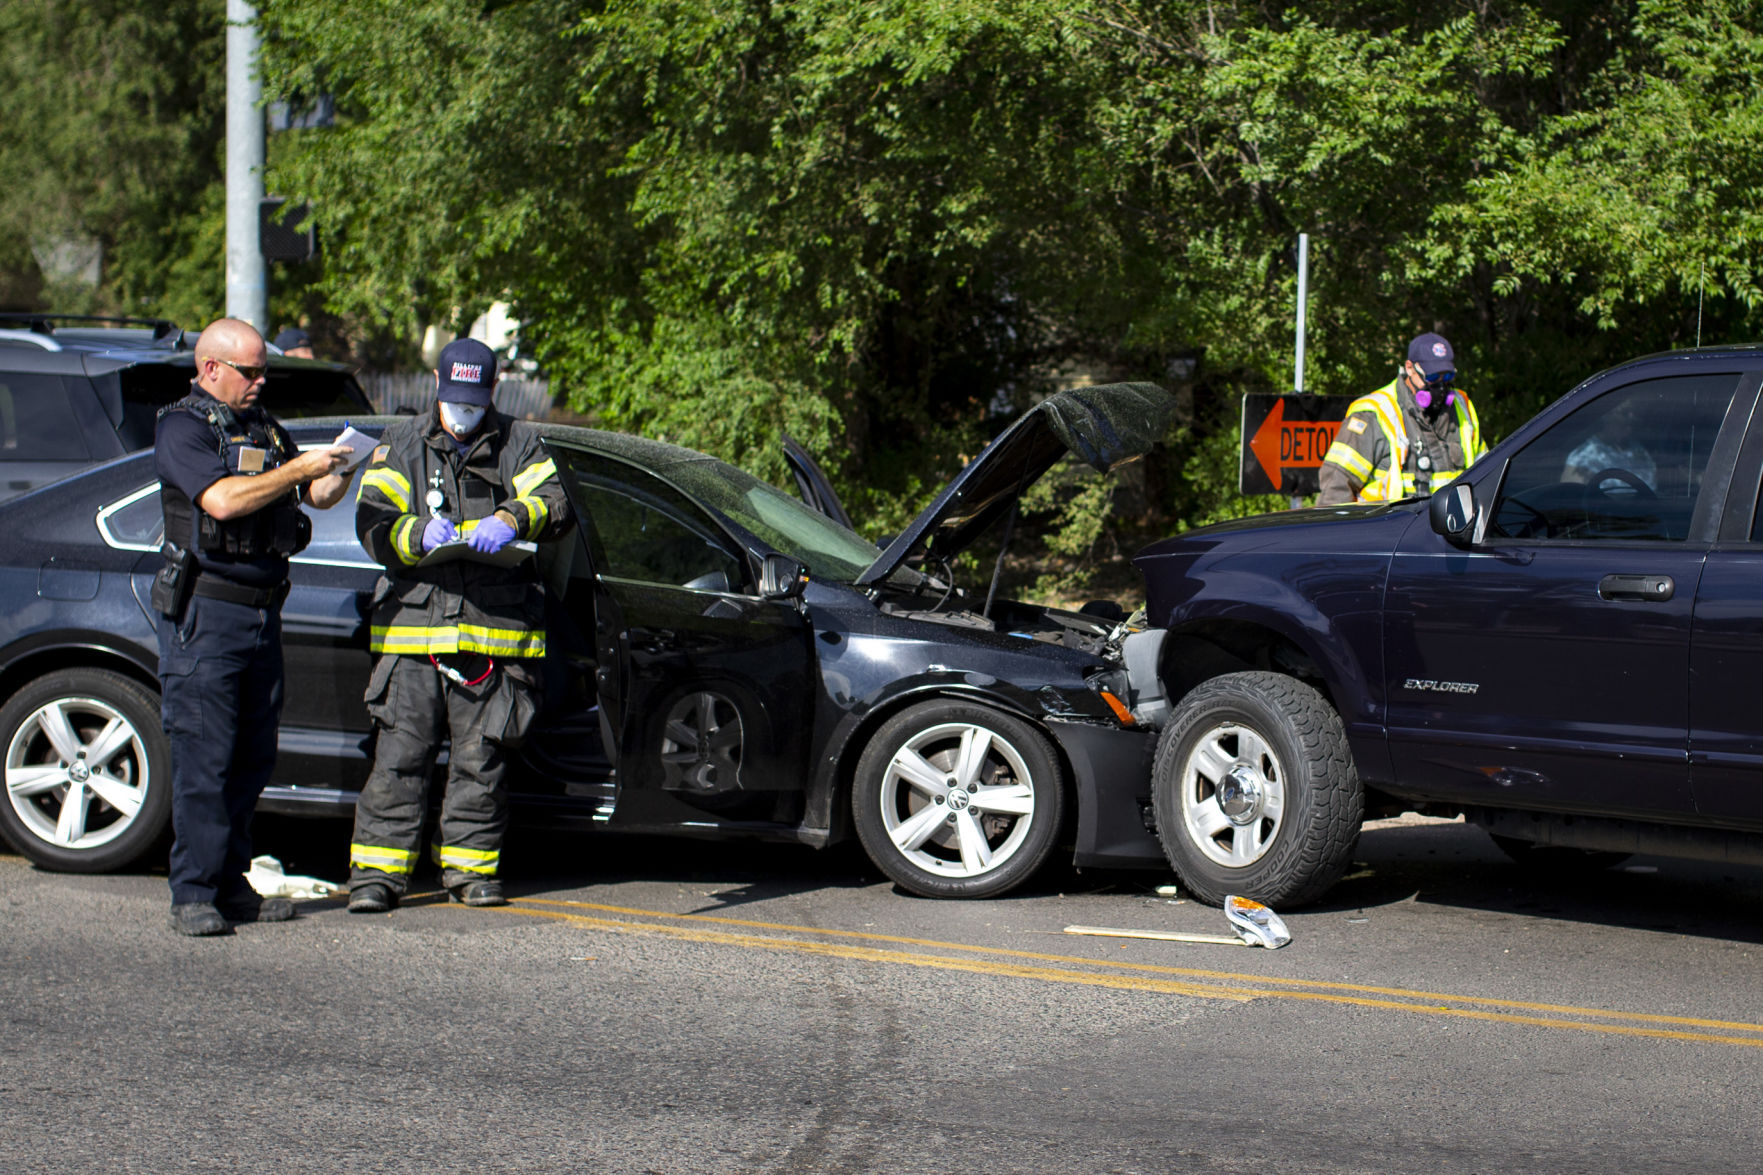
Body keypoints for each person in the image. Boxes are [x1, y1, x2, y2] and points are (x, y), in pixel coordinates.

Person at [346, 338, 572, 913]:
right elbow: (373, 523)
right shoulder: (400, 442)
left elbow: (555, 500)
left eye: (474, 402)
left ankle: (470, 874)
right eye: (455, 400)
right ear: (438, 390)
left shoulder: (520, 441)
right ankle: (376, 877)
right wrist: (415, 534)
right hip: (413, 636)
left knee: (481, 763)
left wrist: (511, 516)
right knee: (399, 760)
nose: (463, 412)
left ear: (490, 392)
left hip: (493, 635)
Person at [154, 318, 352, 935]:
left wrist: (341, 466)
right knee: (204, 759)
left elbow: (314, 496)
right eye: (251, 371)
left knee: (251, 758)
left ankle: (231, 883)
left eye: (263, 370)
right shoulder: (183, 426)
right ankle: (193, 892)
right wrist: (300, 472)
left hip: (263, 610)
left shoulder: (263, 426)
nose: (261, 380)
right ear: (212, 369)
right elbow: (223, 501)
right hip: (207, 614)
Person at [1318, 332, 1487, 506]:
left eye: (1448, 377)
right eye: (1432, 378)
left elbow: (1486, 474)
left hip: (1449, 528)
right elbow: (1336, 485)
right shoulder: (1374, 412)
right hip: (1388, 529)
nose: (1441, 386)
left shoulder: (1461, 406)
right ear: (1410, 368)